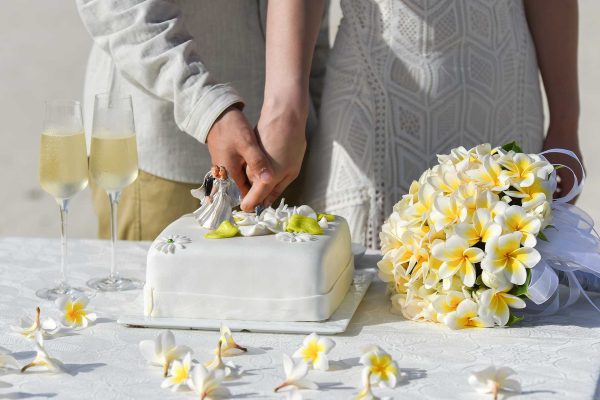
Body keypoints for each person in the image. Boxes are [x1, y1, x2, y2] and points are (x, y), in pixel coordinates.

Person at [285, 0, 583, 249]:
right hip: (375, 103)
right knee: (351, 289)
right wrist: (285, 108)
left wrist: (565, 122)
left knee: (503, 292)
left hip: (502, 97)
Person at [76, 0, 329, 240]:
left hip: (291, 152)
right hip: (167, 151)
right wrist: (206, 107)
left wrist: (309, 105)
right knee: (160, 283)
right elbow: (115, 7)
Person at [194, 166, 240, 230]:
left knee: (226, 210)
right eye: (219, 170)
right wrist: (211, 196)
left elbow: (229, 190)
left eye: (221, 170)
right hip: (218, 196)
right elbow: (214, 189)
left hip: (225, 197)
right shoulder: (217, 181)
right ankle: (213, 223)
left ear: (224, 172)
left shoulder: (227, 182)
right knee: (216, 209)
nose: (219, 171)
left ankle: (225, 222)